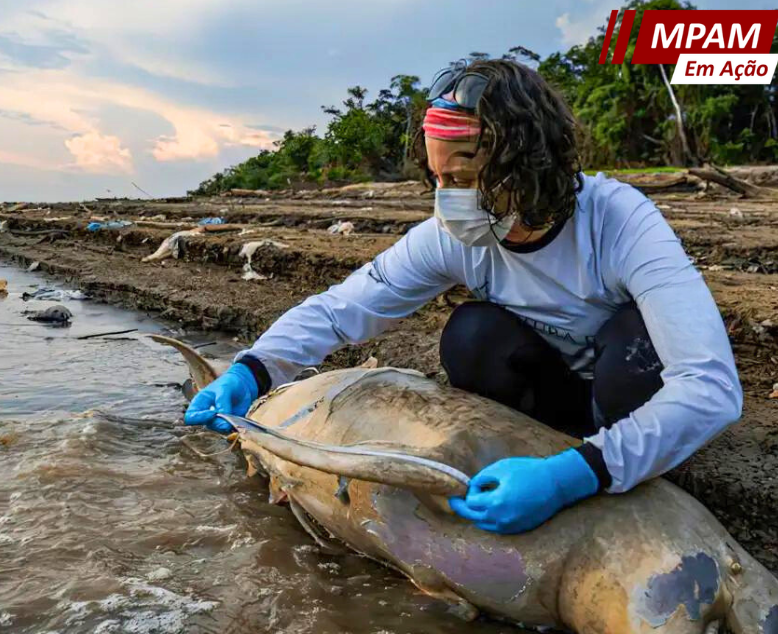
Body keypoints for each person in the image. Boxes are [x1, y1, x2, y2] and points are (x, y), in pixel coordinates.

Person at [185, 59, 742, 535]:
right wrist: (253, 370)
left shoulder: (619, 222)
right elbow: (345, 307)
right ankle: (538, 458)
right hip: (551, 396)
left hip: (623, 393)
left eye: (467, 177)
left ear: (529, 164)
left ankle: (606, 462)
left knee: (633, 341)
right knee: (472, 333)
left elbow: (711, 387)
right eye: (438, 180)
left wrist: (574, 475)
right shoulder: (456, 237)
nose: (450, 200)